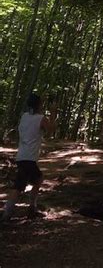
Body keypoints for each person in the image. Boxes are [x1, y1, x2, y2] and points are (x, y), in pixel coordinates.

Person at [1, 92, 57, 222]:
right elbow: (51, 129)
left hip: (22, 156)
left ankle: (29, 208)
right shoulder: (41, 119)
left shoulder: (24, 116)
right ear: (39, 105)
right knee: (21, 186)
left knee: (33, 180)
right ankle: (10, 213)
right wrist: (53, 113)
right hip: (29, 158)